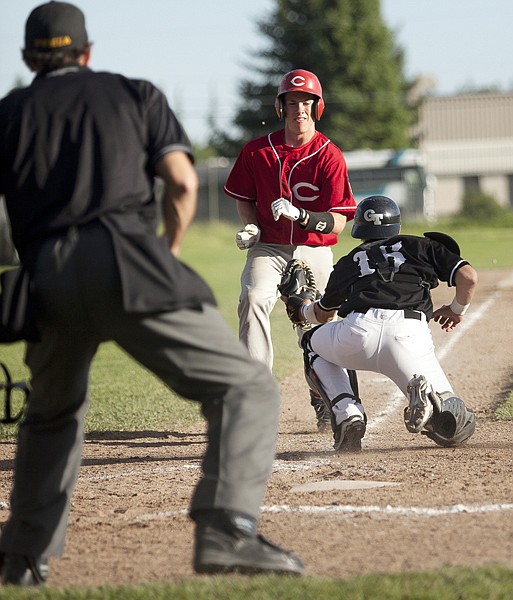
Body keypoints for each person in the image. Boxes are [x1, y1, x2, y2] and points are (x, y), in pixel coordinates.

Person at [0, 2, 304, 586]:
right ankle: (225, 528)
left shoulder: (10, 111)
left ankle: (22, 557)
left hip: (43, 275)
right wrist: (166, 251)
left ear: (27, 59)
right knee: (245, 386)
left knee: (51, 413)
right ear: (87, 53)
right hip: (126, 261)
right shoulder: (133, 92)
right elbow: (184, 182)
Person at [283, 195, 477, 452]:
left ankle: (347, 413)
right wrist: (456, 310)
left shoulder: (348, 262)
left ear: (360, 228)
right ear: (397, 226)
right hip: (409, 337)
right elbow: (469, 278)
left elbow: (322, 315)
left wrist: (300, 307)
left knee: (312, 343)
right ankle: (431, 405)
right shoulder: (422, 245)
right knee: (457, 427)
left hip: (358, 333)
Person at [223, 68, 356, 432]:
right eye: (293, 101)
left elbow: (340, 221)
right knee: (252, 298)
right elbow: (245, 200)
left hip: (313, 247)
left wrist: (303, 216)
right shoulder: (257, 151)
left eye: (307, 102)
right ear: (281, 107)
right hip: (269, 246)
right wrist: (251, 226)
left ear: (317, 107)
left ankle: (326, 396)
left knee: (319, 321)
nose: (300, 108)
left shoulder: (329, 155)